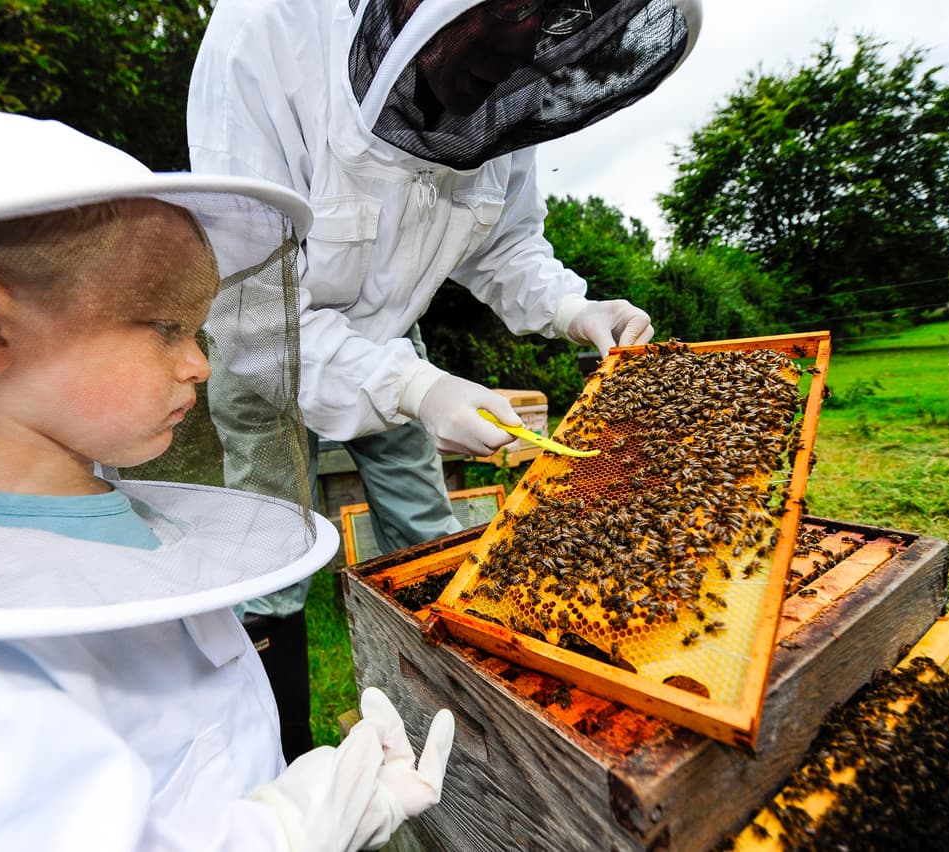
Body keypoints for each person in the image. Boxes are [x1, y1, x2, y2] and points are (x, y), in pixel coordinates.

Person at [0, 102, 454, 851]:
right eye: (164, 326)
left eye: (197, 327)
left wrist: (311, 808)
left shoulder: (131, 518)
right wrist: (284, 832)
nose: (199, 361)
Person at [187, 0, 702, 757]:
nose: (526, 41)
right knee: (271, 555)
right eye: (516, 8)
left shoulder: (507, 91)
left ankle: (459, 735)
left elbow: (505, 241)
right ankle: (282, 755)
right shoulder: (265, 35)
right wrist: (418, 390)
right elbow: (256, 309)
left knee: (428, 535)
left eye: (550, 17)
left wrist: (571, 306)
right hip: (265, 335)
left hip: (396, 338)